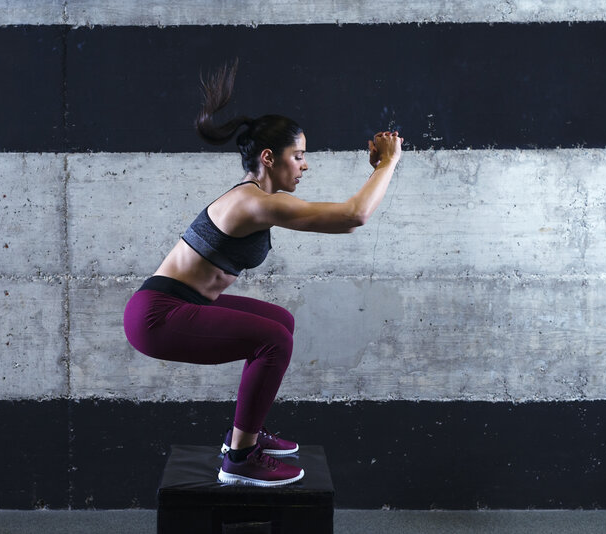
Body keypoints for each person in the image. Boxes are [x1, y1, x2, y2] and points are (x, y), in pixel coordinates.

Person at [123, 61, 403, 487]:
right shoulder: (254, 201)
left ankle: (245, 433)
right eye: (299, 155)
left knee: (279, 323)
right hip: (157, 315)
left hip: (179, 304)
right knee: (274, 340)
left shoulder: (256, 198)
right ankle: (240, 457)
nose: (304, 166)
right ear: (269, 158)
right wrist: (387, 165)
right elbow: (354, 216)